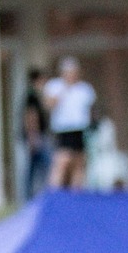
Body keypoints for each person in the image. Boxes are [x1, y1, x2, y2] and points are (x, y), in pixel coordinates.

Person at [43, 57, 96, 192]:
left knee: (79, 162)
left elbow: (90, 110)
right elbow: (49, 105)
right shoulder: (55, 86)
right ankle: (54, 192)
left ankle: (76, 193)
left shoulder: (84, 89)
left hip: (80, 129)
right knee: (62, 161)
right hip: (63, 129)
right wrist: (64, 91)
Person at [19, 67, 51, 201]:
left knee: (33, 168)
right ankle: (32, 197)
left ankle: (30, 197)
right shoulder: (32, 96)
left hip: (36, 137)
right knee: (45, 166)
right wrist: (33, 137)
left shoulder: (34, 95)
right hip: (36, 137)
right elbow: (31, 117)